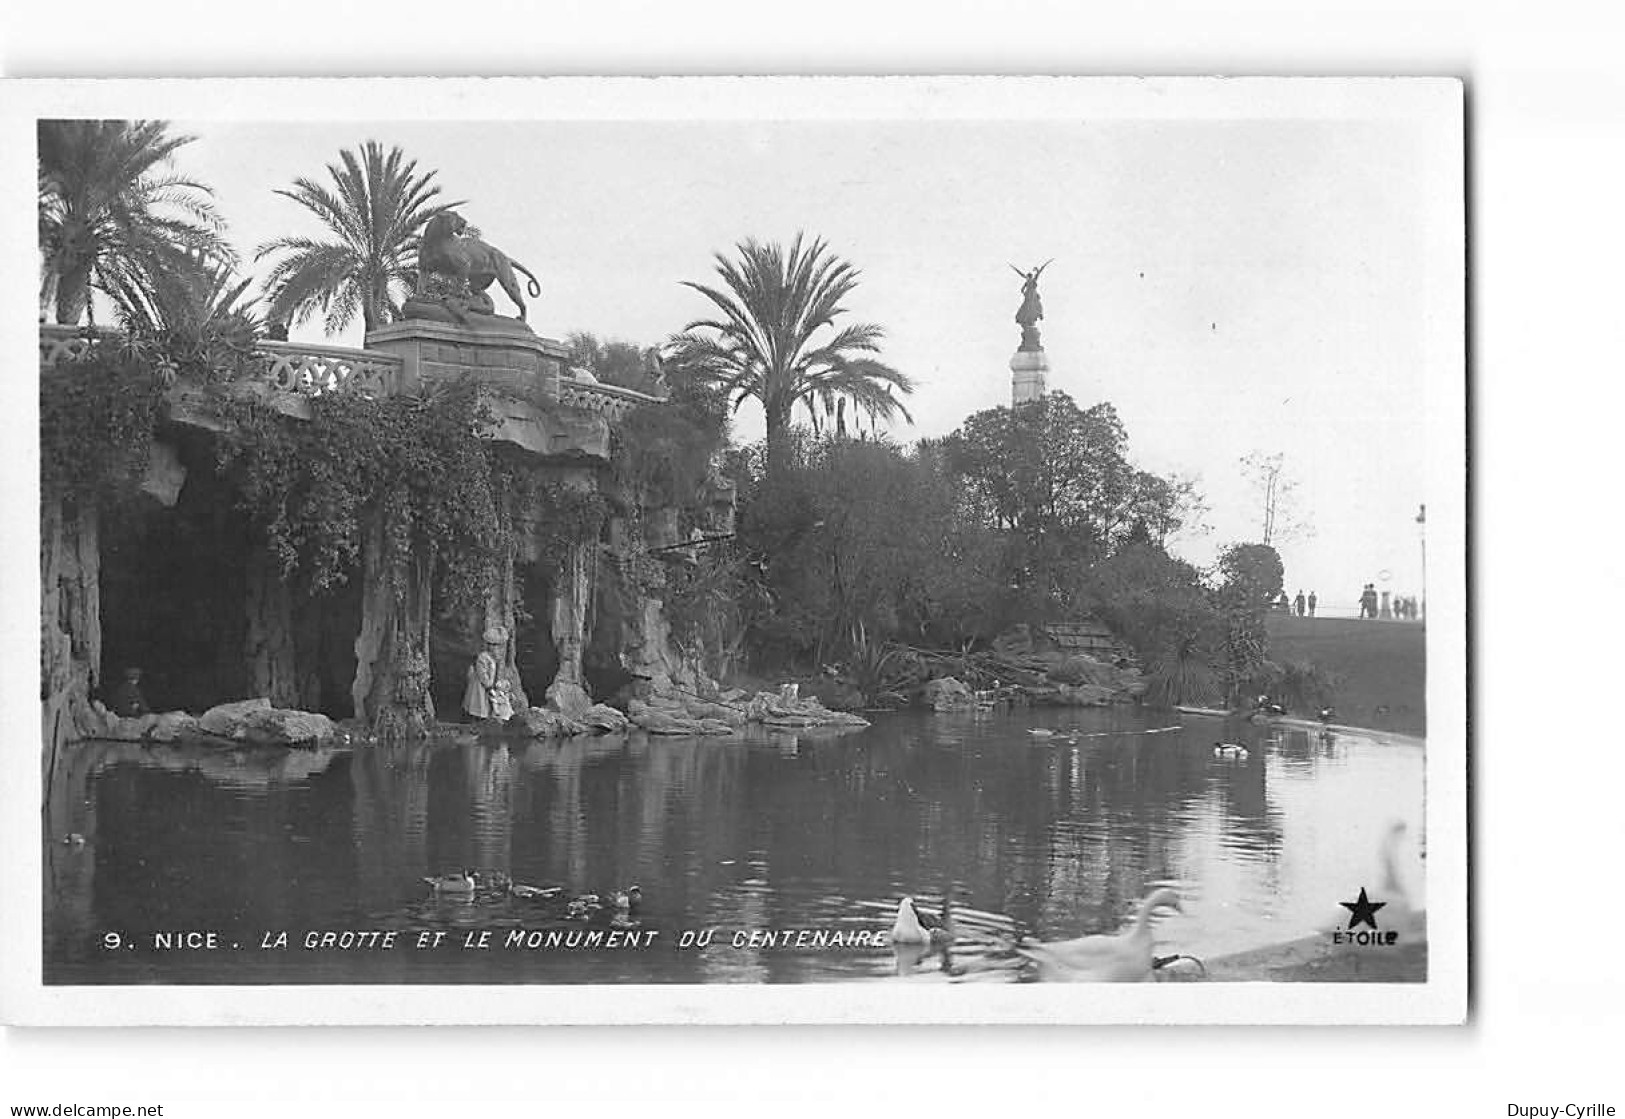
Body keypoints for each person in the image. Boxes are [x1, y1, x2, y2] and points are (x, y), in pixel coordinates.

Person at [462, 625, 508, 721]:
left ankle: (483, 720)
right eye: (493, 645)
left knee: (487, 704)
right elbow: (482, 673)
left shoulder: (492, 658)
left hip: (488, 684)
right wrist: (488, 684)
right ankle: (476, 721)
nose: (495, 648)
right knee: (479, 703)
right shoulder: (483, 657)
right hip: (479, 685)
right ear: (489, 645)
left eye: (497, 646)